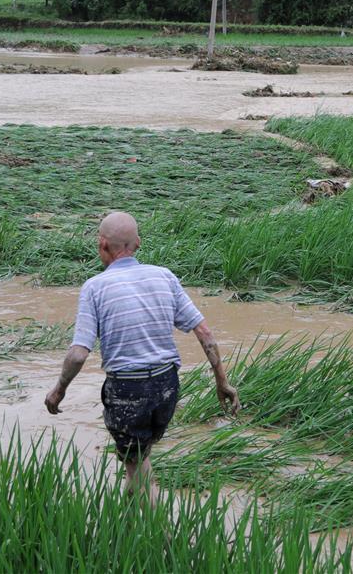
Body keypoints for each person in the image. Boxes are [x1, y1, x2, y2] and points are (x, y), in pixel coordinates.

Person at [44, 212, 240, 501]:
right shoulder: (164, 276)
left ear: (102, 244)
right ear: (137, 243)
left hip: (128, 388)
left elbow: (78, 354)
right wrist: (222, 383)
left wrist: (59, 390)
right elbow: (205, 333)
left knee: (134, 462)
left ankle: (153, 532)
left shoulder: (95, 287)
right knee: (139, 456)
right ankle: (130, 513)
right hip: (167, 385)